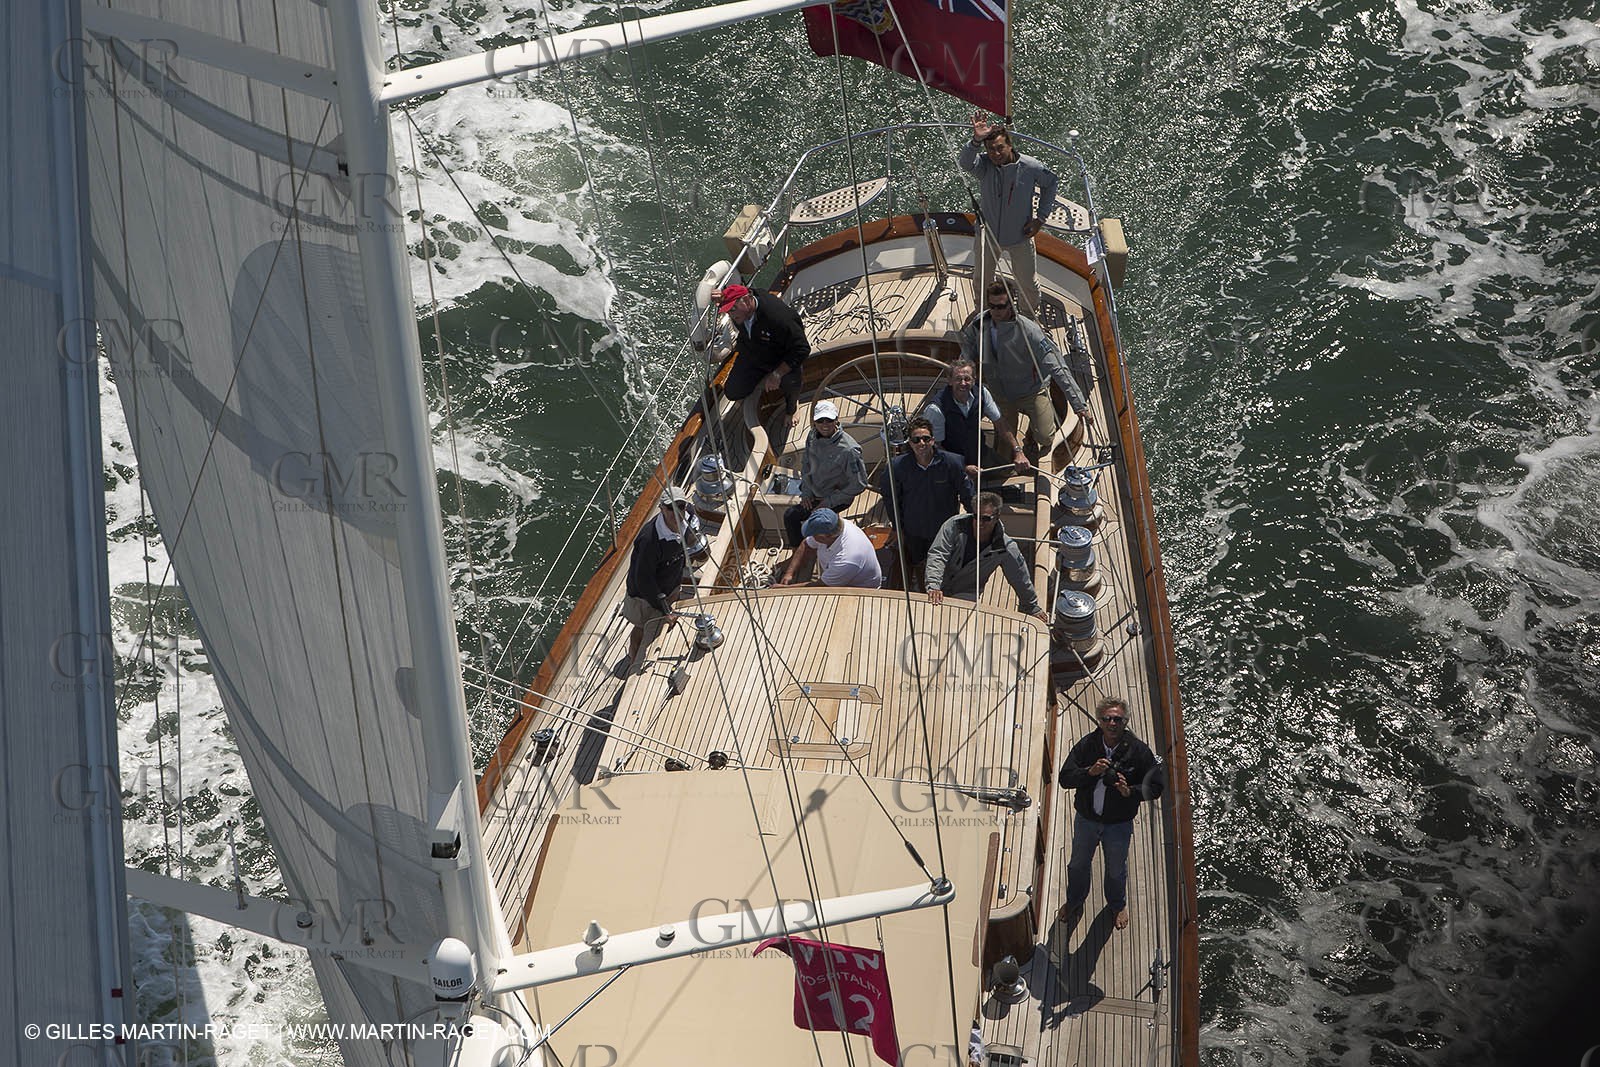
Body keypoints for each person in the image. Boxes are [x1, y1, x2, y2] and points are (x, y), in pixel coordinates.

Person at [1056, 697, 1165, 931]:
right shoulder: (1087, 746)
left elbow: (1156, 787)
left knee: (1116, 868)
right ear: (1100, 721)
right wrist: (1090, 771)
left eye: (1117, 719)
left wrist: (1130, 791)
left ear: (1125, 722)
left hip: (1118, 824)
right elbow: (1065, 778)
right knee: (1077, 865)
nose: (1112, 723)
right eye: (1107, 719)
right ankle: (1075, 901)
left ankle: (1117, 905)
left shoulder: (1139, 752)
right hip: (1087, 819)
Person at [959, 281, 1094, 454]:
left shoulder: (1030, 331)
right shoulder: (980, 322)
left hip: (1031, 391)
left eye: (1000, 306)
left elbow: (1058, 367)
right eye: (992, 306)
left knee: (1045, 438)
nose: (995, 312)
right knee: (1005, 443)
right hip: (999, 392)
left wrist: (1079, 405)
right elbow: (968, 341)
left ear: (1010, 304)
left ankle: (1031, 435)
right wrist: (966, 366)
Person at [960, 112, 1059, 317]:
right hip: (988, 237)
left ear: (1010, 145)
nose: (995, 154)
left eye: (1000, 148)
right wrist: (976, 140)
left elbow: (1051, 183)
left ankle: (1028, 318)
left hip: (1020, 237)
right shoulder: (985, 166)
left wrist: (1040, 219)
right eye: (990, 149)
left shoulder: (1031, 167)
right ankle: (984, 315)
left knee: (1028, 285)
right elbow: (965, 163)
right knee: (981, 281)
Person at [923, 493, 1048, 621]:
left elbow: (1020, 577)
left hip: (967, 593)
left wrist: (1031, 607)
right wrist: (933, 585)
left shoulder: (1005, 547)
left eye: (986, 519)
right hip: (938, 586)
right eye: (976, 517)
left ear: (997, 517)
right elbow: (938, 554)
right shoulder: (954, 526)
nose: (980, 523)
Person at [877, 416, 975, 575]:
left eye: (925, 438)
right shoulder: (896, 467)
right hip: (913, 532)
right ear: (910, 443)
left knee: (944, 568)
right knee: (918, 564)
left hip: (944, 531)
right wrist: (897, 528)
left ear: (933, 440)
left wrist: (975, 522)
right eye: (916, 440)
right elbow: (890, 499)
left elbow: (968, 496)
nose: (921, 443)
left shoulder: (953, 463)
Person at [923, 359, 1028, 486]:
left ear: (974, 379)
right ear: (949, 381)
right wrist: (963, 468)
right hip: (950, 463)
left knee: (1010, 473)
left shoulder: (982, 393)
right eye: (958, 379)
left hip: (980, 452)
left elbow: (1000, 423)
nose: (963, 383)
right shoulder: (936, 409)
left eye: (967, 379)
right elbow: (935, 448)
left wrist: (1018, 452)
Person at [718, 283, 811, 427]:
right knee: (732, 392)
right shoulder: (741, 313)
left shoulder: (779, 317)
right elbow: (746, 290)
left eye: (733, 308)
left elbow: (802, 349)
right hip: (753, 353)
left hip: (780, 358)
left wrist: (777, 374)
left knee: (791, 381)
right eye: (728, 311)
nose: (731, 314)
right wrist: (722, 296)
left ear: (748, 300)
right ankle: (764, 380)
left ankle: (792, 406)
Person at [622, 486, 693, 667]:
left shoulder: (688, 516)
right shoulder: (649, 539)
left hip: (670, 583)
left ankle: (662, 627)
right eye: (670, 508)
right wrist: (665, 609)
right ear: (661, 508)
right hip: (644, 596)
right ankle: (632, 659)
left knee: (662, 622)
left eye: (680, 506)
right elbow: (643, 580)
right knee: (641, 628)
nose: (676, 512)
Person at [784, 399, 867, 548]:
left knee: (815, 523)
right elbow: (806, 464)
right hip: (814, 493)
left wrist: (828, 503)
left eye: (829, 420)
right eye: (820, 420)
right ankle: (797, 552)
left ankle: (820, 548)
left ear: (836, 420)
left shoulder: (849, 450)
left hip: (836, 498)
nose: (824, 424)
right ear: (814, 422)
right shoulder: (812, 436)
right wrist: (807, 492)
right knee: (790, 516)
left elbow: (859, 484)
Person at [776, 508, 882, 589]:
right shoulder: (833, 526)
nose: (811, 537)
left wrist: (786, 589)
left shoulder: (847, 559)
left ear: (826, 536)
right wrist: (789, 573)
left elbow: (821, 586)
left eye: (813, 535)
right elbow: (806, 545)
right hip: (833, 574)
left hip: (858, 589)